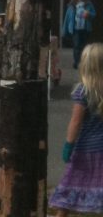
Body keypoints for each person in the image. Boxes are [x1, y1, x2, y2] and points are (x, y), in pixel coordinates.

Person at [49, 42, 103, 216]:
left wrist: (68, 145)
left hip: (85, 148)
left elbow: (75, 122)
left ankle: (61, 215)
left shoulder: (83, 91)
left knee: (71, 181)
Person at [64, 0, 97, 68]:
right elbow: (67, 17)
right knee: (76, 46)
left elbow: (94, 14)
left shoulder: (88, 3)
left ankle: (83, 62)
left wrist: (89, 14)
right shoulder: (72, 4)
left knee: (84, 46)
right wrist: (65, 29)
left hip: (85, 28)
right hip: (75, 29)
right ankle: (77, 62)